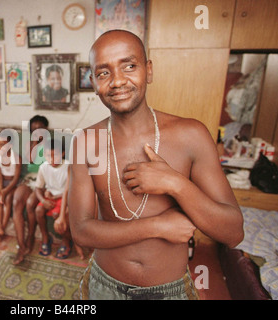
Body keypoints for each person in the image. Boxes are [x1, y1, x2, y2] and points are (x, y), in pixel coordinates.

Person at [68, 30, 244, 300]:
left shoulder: (191, 135)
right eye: (104, 73)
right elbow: (81, 230)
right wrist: (157, 227)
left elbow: (233, 233)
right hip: (103, 286)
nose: (117, 81)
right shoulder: (85, 143)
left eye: (129, 66)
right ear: (93, 82)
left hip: (168, 291)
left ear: (148, 70)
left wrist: (175, 183)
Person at [35, 138, 83, 259]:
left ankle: (66, 241)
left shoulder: (68, 166)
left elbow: (70, 190)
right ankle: (45, 237)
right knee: (38, 211)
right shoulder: (43, 167)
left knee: (57, 215)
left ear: (62, 153)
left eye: (55, 155)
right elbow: (38, 188)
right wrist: (42, 200)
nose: (51, 159)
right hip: (51, 197)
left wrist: (56, 196)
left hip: (65, 197)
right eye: (48, 155)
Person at [11, 115, 49, 264]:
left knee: (30, 204)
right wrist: (34, 142)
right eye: (34, 129)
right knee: (16, 202)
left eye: (40, 129)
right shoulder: (29, 144)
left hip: (44, 180)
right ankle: (21, 246)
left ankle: (31, 236)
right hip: (29, 178)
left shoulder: (51, 144)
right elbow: (31, 159)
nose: (37, 132)